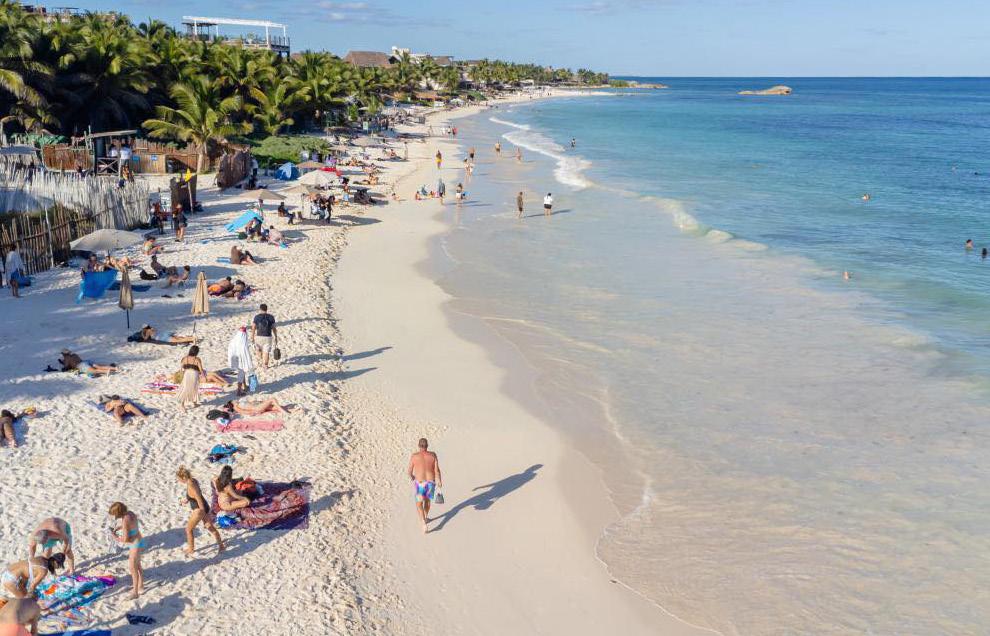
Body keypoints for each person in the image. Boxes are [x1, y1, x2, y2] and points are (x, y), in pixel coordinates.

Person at [176, 467, 224, 555]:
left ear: (184, 477)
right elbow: (195, 496)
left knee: (188, 530)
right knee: (210, 527)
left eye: (179, 479)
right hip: (204, 507)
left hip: (199, 510)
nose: (179, 481)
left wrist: (204, 514)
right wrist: (187, 500)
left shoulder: (192, 486)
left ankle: (191, 549)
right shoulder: (193, 480)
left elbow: (198, 499)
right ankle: (221, 546)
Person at [108, 502, 144, 599]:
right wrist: (121, 527)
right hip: (139, 539)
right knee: (138, 564)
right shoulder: (130, 513)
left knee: (133, 568)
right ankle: (141, 585)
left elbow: (125, 540)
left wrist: (114, 537)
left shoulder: (125, 520)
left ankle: (135, 592)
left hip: (134, 544)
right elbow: (131, 525)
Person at [407, 438, 442, 534]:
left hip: (420, 483)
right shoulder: (433, 455)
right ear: (427, 446)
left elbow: (409, 471)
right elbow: (437, 470)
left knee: (419, 503)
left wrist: (412, 477)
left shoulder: (414, 456)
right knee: (427, 501)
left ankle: (423, 522)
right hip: (431, 482)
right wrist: (439, 480)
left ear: (419, 446)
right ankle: (425, 517)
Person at [227, 327, 255, 396]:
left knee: (241, 373)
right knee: (241, 374)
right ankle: (239, 391)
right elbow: (245, 353)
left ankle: (244, 386)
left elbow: (230, 351)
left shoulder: (234, 340)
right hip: (241, 360)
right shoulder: (243, 343)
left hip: (235, 360)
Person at [177, 345, 204, 410]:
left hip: (187, 374)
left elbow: (181, 368)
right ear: (196, 352)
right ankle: (193, 402)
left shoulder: (184, 358)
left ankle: (183, 405)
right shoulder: (197, 359)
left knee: (185, 388)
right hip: (194, 374)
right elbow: (201, 369)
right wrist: (203, 376)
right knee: (194, 388)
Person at [251, 304, 278, 368]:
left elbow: (253, 327)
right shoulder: (271, 317)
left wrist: (252, 336)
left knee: (258, 349)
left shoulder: (257, 317)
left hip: (259, 336)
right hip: (268, 337)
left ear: (260, 309)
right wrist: (276, 336)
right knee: (266, 352)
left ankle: (261, 358)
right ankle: (265, 365)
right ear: (267, 309)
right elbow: (274, 328)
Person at [222, 397, 292, 417]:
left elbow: (249, 404)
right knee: (272, 399)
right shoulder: (236, 407)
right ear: (232, 403)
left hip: (258, 405)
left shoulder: (238, 404)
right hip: (257, 408)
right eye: (234, 400)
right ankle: (284, 412)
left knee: (277, 407)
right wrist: (254, 412)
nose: (235, 400)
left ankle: (293, 411)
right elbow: (244, 412)